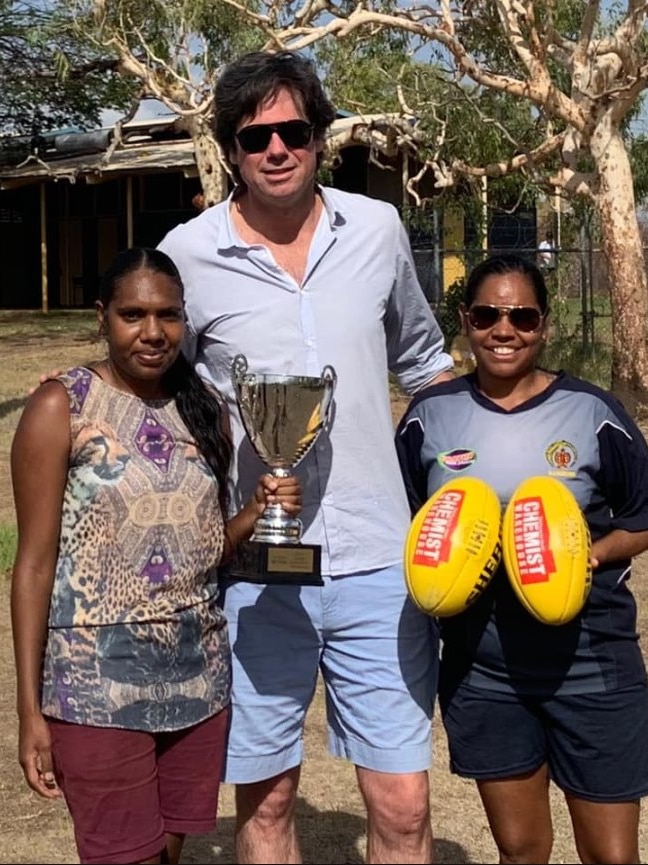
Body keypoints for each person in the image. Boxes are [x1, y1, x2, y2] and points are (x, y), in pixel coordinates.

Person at [157, 50, 455, 864]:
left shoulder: (380, 230)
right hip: (255, 569)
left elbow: (426, 361)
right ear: (231, 149)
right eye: (257, 138)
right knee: (269, 799)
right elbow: (156, 383)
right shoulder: (187, 253)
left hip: (378, 559)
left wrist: (472, 462)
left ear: (320, 138)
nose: (277, 150)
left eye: (294, 130)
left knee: (401, 804)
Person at [10, 247, 301, 865]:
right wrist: (29, 709)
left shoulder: (205, 411)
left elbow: (201, 551)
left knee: (169, 853)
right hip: (94, 683)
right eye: (132, 314)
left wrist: (256, 510)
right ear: (102, 317)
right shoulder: (61, 406)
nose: (152, 332)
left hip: (197, 678)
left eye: (168, 315)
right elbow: (33, 565)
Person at [395, 252, 648, 865]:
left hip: (590, 662)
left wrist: (586, 555)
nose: (503, 330)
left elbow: (641, 518)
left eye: (522, 317)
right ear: (464, 320)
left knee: (612, 858)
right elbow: (412, 524)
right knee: (521, 852)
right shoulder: (430, 417)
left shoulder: (594, 412)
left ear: (544, 325)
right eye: (486, 315)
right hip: (486, 670)